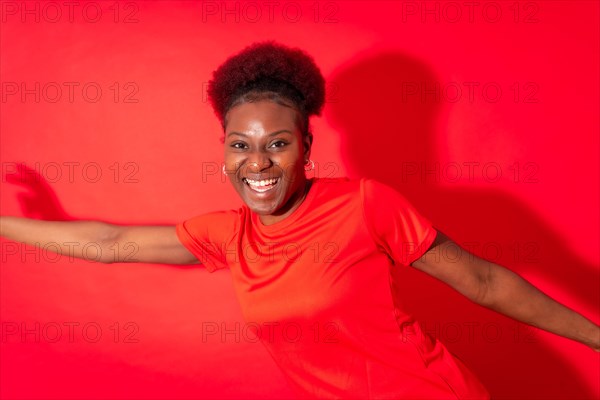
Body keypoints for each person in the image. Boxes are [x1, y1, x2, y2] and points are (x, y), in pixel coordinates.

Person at [1, 41, 598, 399]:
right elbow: (110, 244)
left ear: (307, 146)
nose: (257, 162)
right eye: (240, 145)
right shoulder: (229, 235)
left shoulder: (365, 204)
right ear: (224, 149)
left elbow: (486, 282)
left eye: (277, 143)